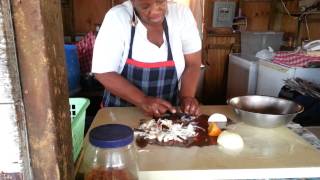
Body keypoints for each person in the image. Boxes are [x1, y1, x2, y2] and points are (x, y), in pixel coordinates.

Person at [91, 0, 202, 117]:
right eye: (145, 6)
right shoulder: (117, 18)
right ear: (133, 2)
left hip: (168, 117)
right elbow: (103, 72)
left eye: (161, 2)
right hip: (119, 115)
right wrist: (143, 100)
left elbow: (193, 63)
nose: (154, 11)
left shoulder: (181, 15)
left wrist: (186, 98)